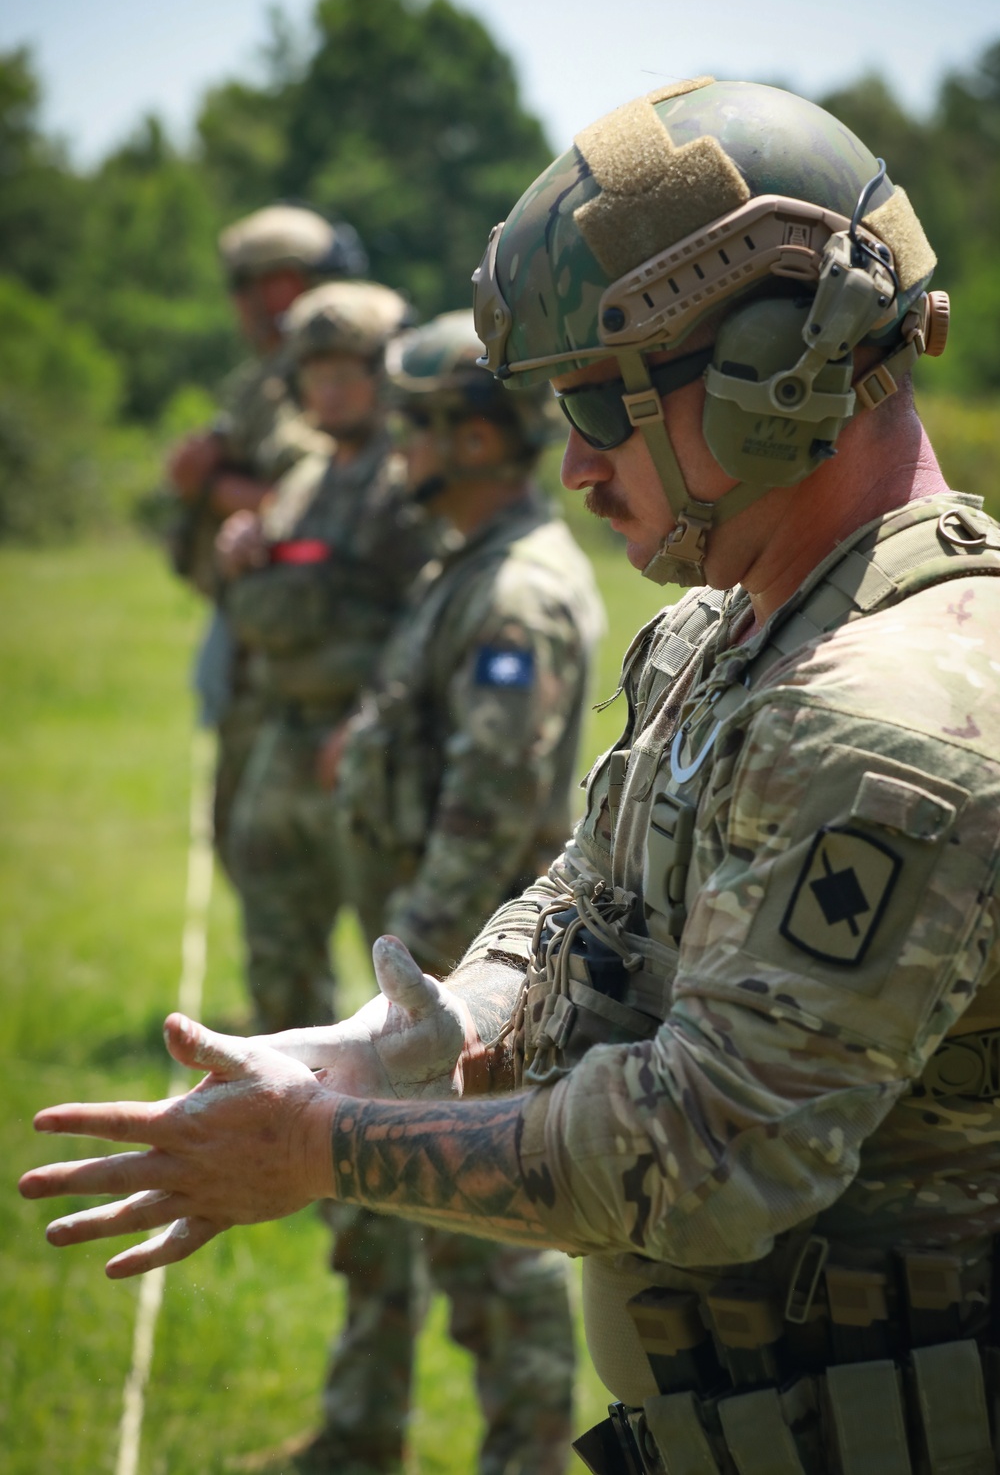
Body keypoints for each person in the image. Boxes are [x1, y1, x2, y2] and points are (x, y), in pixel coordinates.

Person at [21, 78, 1000, 1475]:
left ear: (785, 360)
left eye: (602, 400)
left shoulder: (888, 717)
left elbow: (709, 1155)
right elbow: (585, 896)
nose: (578, 464)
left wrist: (327, 1148)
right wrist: (415, 1036)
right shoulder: (728, 633)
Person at [304, 308, 604, 1475]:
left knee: (497, 1249)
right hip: (443, 971)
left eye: (417, 427)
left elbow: (487, 811)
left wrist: (415, 983)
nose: (396, 452)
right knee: (447, 1234)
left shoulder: (513, 595)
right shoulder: (468, 569)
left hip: (477, 988)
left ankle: (526, 1459)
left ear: (477, 440)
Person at [217, 278, 437, 1034]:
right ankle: (283, 1097)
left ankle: (395, 1122)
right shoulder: (301, 483)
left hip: (366, 747)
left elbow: (429, 621)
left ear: (382, 376)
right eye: (316, 375)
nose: (330, 391)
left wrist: (371, 722)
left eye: (346, 374)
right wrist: (242, 549)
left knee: (400, 958)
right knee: (275, 936)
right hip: (285, 735)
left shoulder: (408, 486)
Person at [166, 204, 367, 877]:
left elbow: (319, 497)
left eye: (257, 282)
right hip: (270, 650)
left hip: (313, 660)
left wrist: (211, 484)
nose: (245, 303)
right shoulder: (269, 378)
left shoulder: (319, 379)